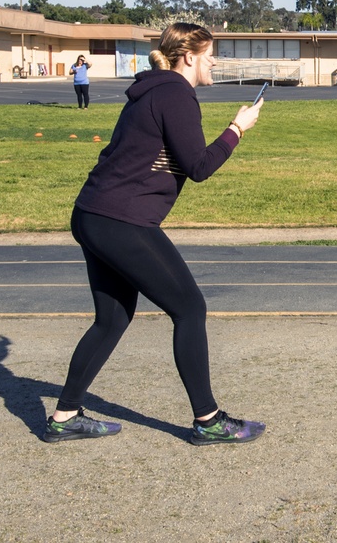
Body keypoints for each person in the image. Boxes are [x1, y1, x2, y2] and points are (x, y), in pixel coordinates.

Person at [45, 23, 267, 445]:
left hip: (93, 213)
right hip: (120, 220)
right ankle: (208, 420)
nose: (214, 61)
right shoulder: (175, 94)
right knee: (189, 308)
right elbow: (198, 167)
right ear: (189, 56)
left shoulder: (154, 90)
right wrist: (237, 128)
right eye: (210, 54)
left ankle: (65, 416)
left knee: (111, 320)